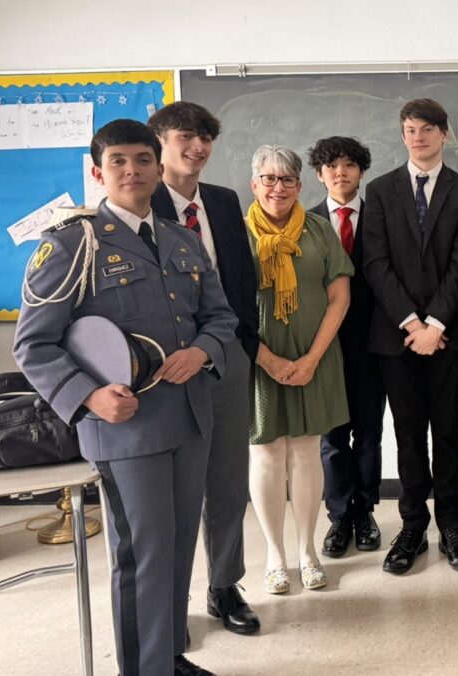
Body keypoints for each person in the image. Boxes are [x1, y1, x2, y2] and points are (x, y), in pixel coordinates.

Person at [15, 118, 238, 676]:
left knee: (180, 544)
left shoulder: (182, 238)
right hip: (126, 427)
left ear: (158, 168)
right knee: (143, 554)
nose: (132, 170)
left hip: (189, 418)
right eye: (118, 161)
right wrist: (88, 397)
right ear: (97, 172)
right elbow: (33, 345)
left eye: (142, 159)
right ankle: (143, 669)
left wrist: (204, 352)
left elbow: (221, 317)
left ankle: (168, 655)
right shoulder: (72, 244)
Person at [361, 98, 458, 574]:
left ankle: (452, 526)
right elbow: (375, 263)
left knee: (450, 433)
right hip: (396, 338)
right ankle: (412, 527)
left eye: (427, 130)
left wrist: (434, 324)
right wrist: (412, 324)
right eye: (410, 130)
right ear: (403, 136)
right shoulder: (380, 190)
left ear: (444, 135)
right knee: (408, 435)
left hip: (448, 336)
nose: (418, 137)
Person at [148, 101, 262, 636]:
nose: (197, 148)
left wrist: (242, 342)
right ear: (160, 141)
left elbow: (239, 278)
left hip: (226, 356)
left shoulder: (222, 199)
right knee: (173, 490)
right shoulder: (138, 203)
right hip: (167, 367)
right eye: (185, 137)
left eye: (206, 138)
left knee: (227, 479)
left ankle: (225, 585)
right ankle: (172, 602)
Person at [245, 145, 353, 594]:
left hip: (316, 357)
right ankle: (275, 555)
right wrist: (268, 359)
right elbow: (222, 306)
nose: (278, 187)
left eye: (288, 179)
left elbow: (339, 297)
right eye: (269, 179)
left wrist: (310, 360)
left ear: (300, 185)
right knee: (267, 454)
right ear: (254, 184)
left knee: (308, 452)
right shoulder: (237, 235)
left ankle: (308, 552)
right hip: (257, 361)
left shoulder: (319, 231)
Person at [305, 136, 387, 558]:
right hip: (326, 347)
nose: (341, 172)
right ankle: (339, 517)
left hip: (374, 346)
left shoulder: (382, 216)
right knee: (333, 439)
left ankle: (365, 511)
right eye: (332, 166)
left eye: (350, 164)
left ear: (361, 171)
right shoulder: (305, 222)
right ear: (319, 174)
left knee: (370, 434)